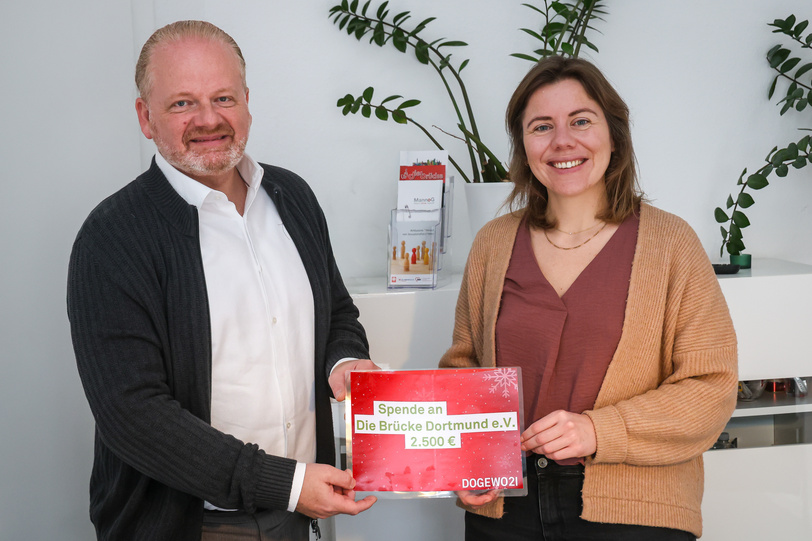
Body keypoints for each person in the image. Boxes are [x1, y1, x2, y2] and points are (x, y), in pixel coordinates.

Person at [67, 20, 377, 541]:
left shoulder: (292, 197)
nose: (209, 120)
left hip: (300, 518)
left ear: (248, 103)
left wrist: (344, 361)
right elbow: (133, 415)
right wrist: (285, 482)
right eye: (182, 103)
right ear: (146, 117)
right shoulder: (111, 237)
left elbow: (337, 313)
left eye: (224, 98)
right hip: (189, 526)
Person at [439, 55, 737, 540]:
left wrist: (599, 431)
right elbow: (464, 372)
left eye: (581, 121)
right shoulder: (493, 244)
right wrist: (467, 462)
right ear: (524, 147)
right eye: (542, 127)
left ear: (614, 134)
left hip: (634, 509)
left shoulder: (671, 243)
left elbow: (711, 387)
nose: (563, 141)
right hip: (504, 509)